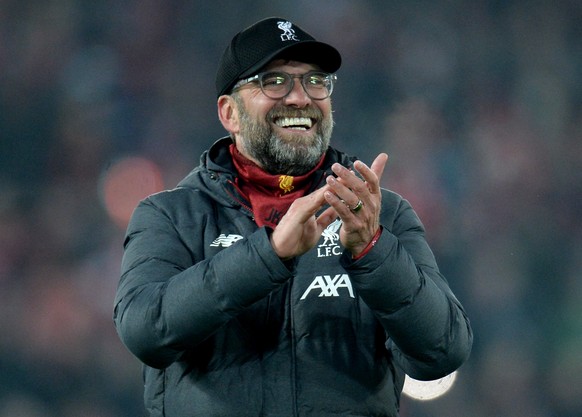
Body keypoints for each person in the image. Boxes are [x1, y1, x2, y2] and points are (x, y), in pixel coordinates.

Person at [113, 16, 472, 417]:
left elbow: (442, 350)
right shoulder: (171, 216)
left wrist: (373, 252)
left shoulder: (378, 213)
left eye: (315, 81)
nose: (300, 98)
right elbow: (145, 330)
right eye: (274, 81)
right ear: (229, 112)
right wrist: (269, 256)